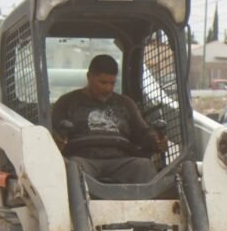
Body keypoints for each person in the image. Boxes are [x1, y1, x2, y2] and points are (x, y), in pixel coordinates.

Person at [50, 54, 166, 184]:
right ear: (89, 77)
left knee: (144, 166)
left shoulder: (125, 103)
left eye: (112, 83)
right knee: (72, 167)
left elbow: (143, 132)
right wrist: (58, 138)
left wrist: (155, 139)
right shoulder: (67, 102)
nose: (108, 89)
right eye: (103, 82)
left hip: (121, 161)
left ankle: (147, 204)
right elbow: (54, 134)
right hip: (83, 159)